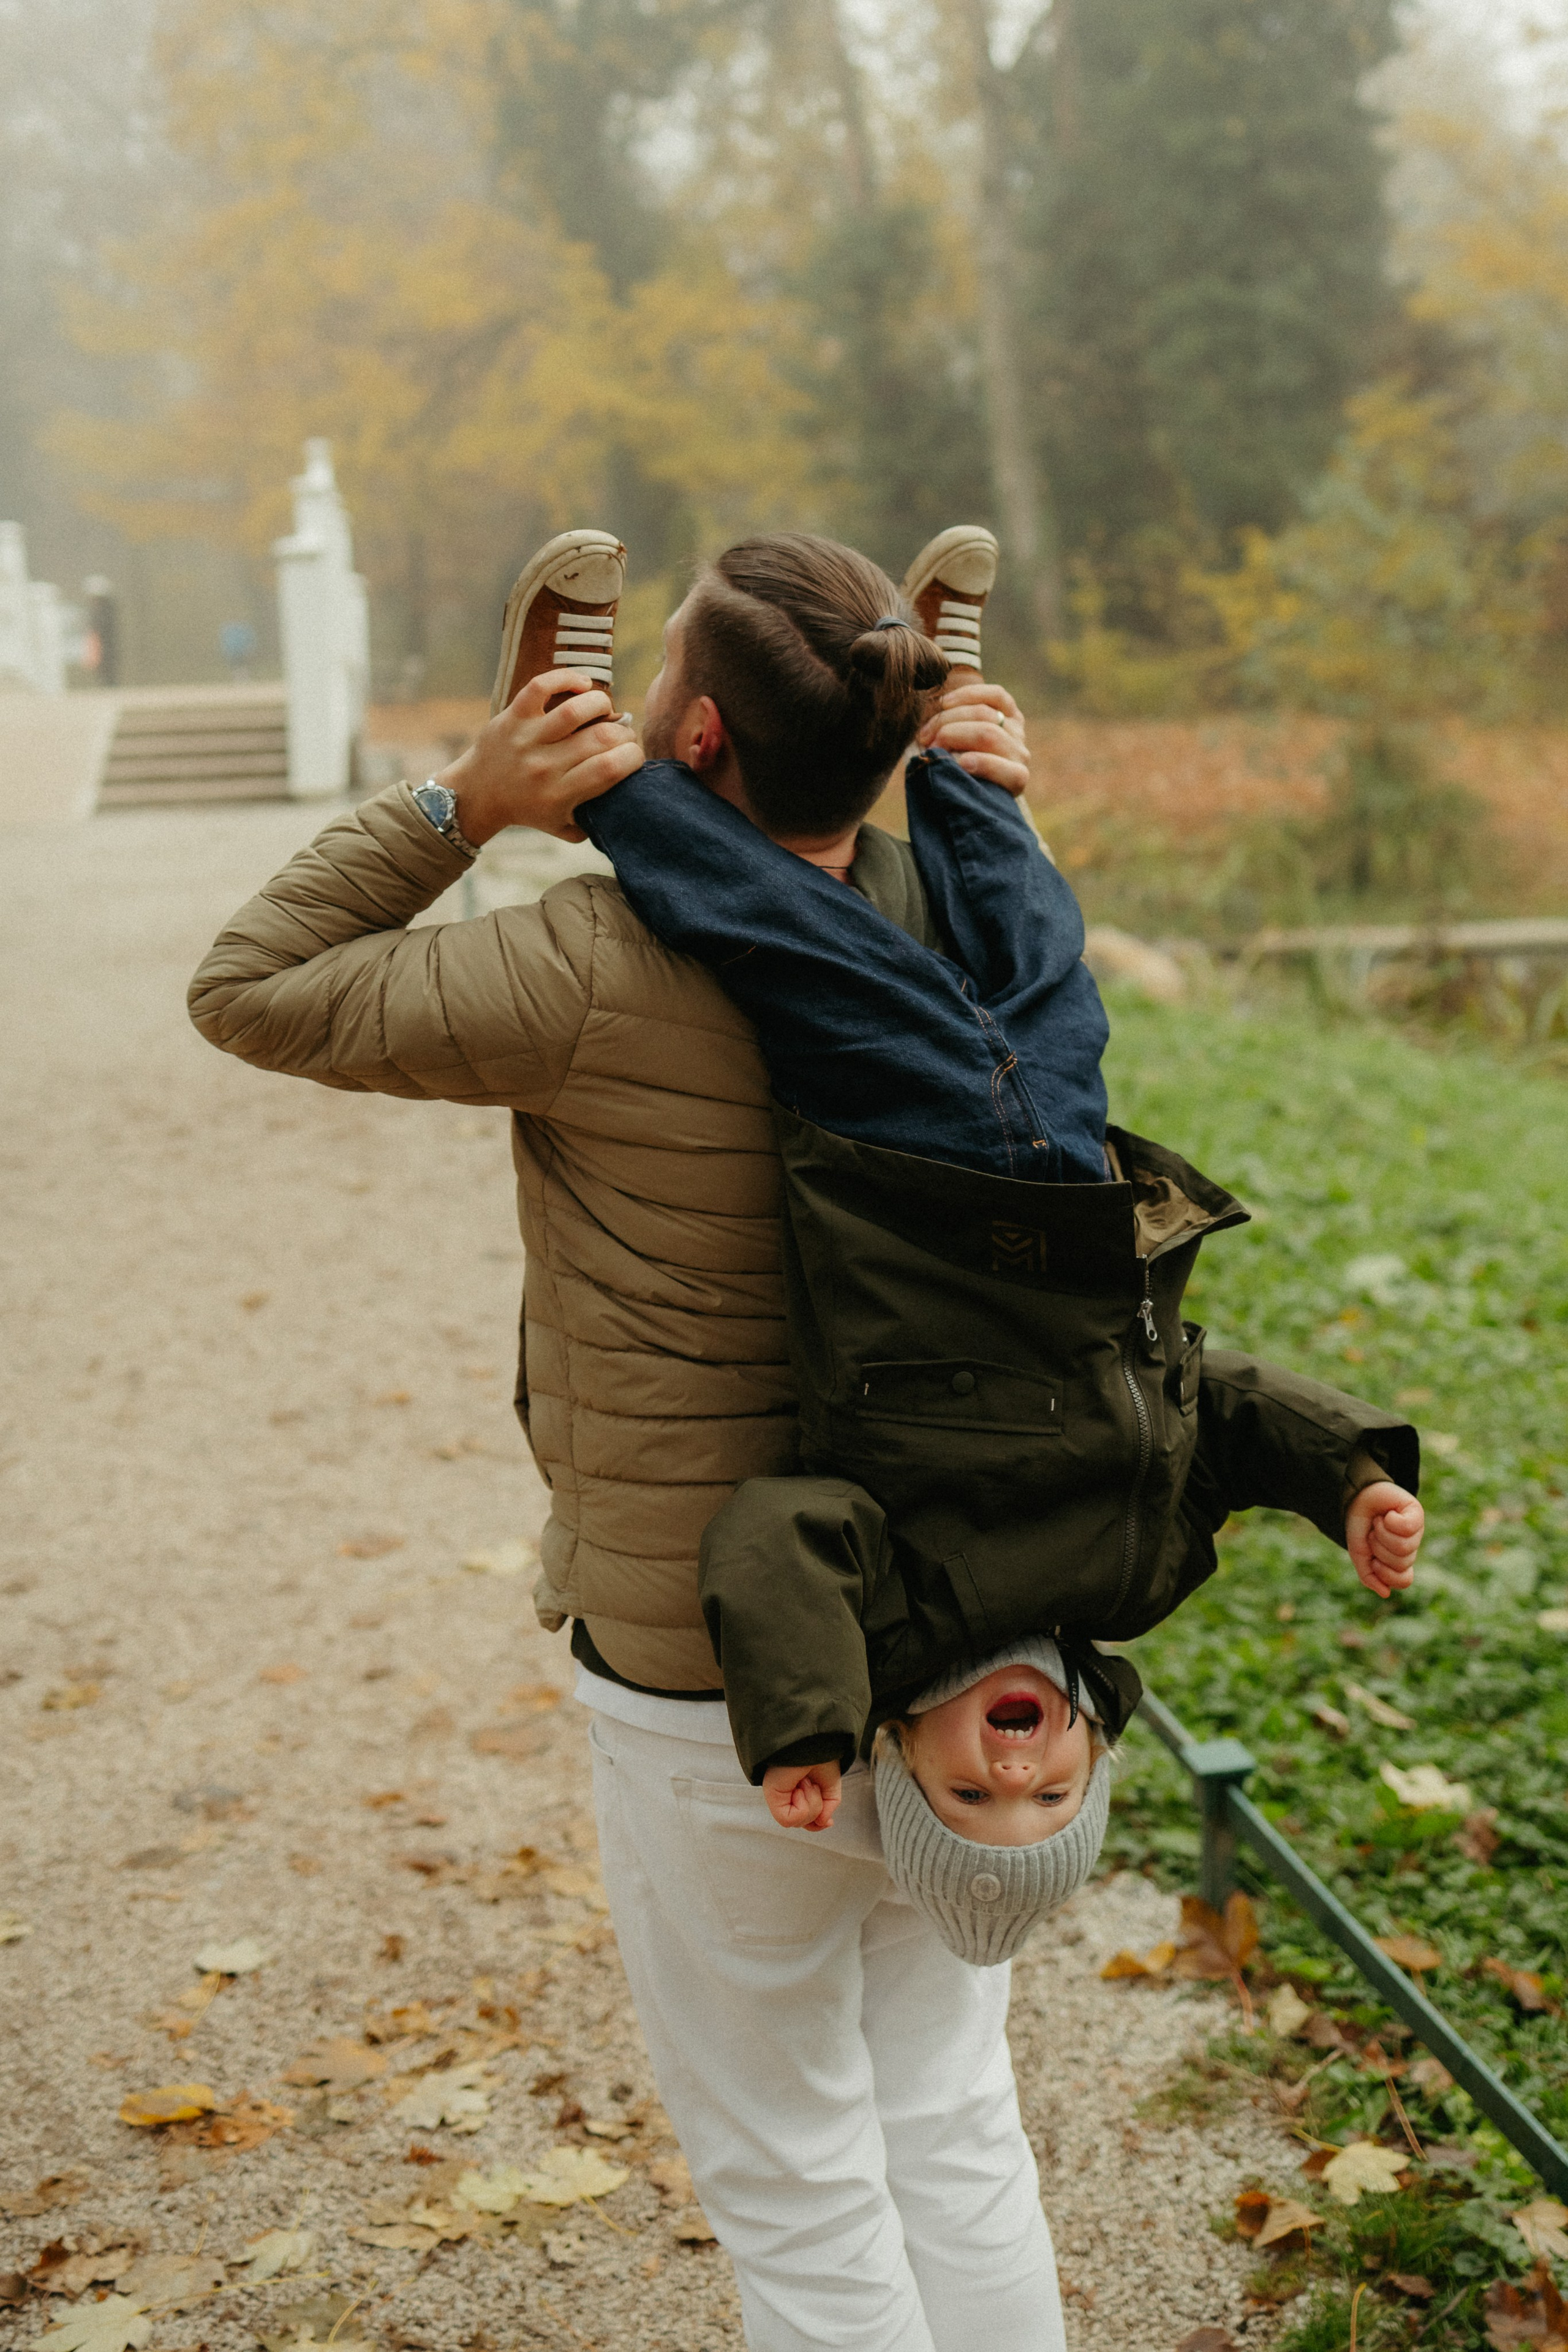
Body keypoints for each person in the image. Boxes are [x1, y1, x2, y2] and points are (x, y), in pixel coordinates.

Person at [189, 524, 1088, 2352]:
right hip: (953, 1625)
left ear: (685, 746)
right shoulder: (970, 925)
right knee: (951, 2120)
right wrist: (985, 792)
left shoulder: (587, 963)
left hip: (704, 1671)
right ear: (896, 739)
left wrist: (463, 805)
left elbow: (251, 984)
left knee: (795, 2171)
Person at [570, 608, 1425, 1970]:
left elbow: (771, 1537)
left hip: (905, 1183)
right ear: (1091, 1738)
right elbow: (1223, 1406)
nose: (1010, 1768)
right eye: (1049, 1793)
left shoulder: (897, 1610)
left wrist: (803, 1725)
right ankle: (943, 719)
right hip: (1070, 1171)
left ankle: (601, 777)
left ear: (900, 1746)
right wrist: (1350, 1485)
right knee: (1034, 952)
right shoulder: (1132, 1571)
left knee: (801, 941)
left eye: (971, 1796)